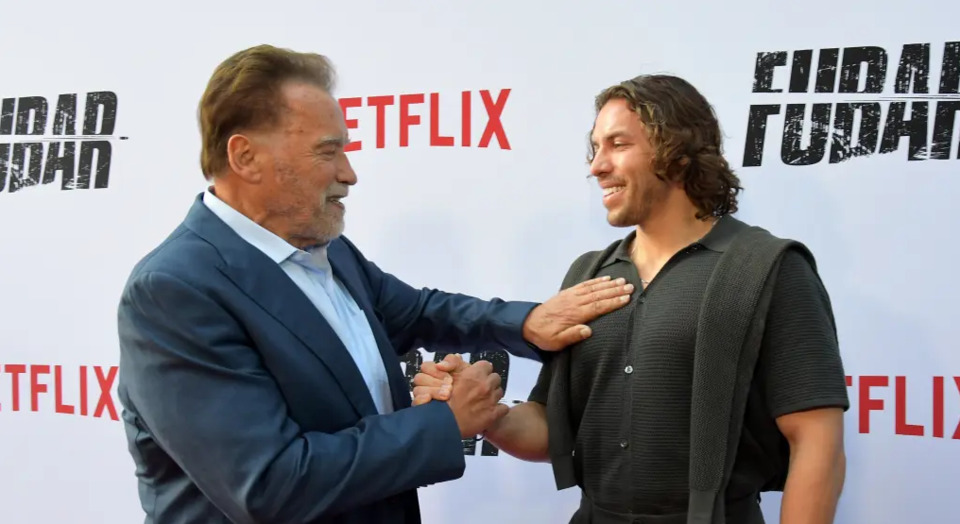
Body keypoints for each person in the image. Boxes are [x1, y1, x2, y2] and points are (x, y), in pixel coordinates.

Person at [115, 44, 634, 524]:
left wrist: (528, 322)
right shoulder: (173, 291)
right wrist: (446, 423)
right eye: (327, 152)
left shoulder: (323, 247)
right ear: (245, 158)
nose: (349, 173)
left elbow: (417, 312)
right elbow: (271, 484)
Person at [414, 74, 849, 524]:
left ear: (679, 153)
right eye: (595, 148)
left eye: (618, 144)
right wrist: (487, 414)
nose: (597, 167)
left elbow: (817, 442)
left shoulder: (769, 268)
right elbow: (550, 429)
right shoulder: (588, 276)